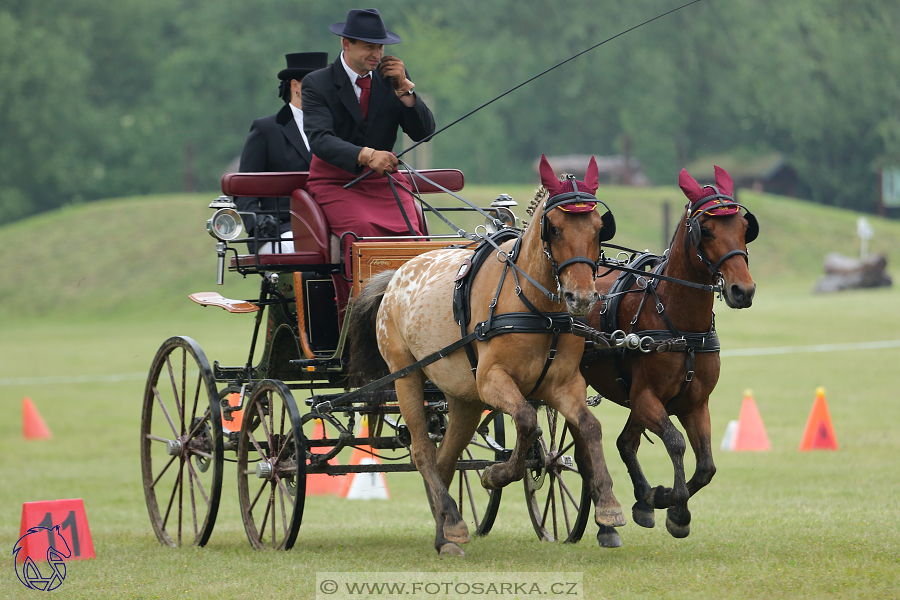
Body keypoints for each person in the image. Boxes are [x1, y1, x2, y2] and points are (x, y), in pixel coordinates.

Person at [302, 8, 436, 313]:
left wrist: (405, 89)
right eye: (369, 46)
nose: (377, 54)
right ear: (346, 44)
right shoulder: (317, 83)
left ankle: (415, 311)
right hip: (338, 181)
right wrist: (366, 155)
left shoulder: (393, 80)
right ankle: (364, 313)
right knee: (362, 232)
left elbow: (423, 132)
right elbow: (320, 139)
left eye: (380, 46)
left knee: (412, 233)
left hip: (383, 182)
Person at [237, 51, 329, 253]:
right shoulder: (266, 130)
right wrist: (259, 223)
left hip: (331, 225)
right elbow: (244, 191)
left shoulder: (338, 129)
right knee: (297, 248)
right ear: (295, 86)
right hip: (280, 229)